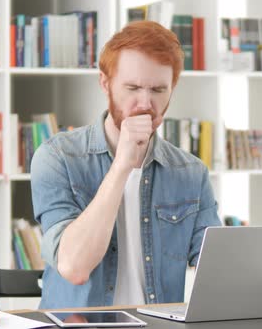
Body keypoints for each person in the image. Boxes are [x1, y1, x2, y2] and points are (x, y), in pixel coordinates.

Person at [30, 21, 221, 309]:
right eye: (132, 88)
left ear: (173, 88)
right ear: (105, 84)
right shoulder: (57, 158)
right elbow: (73, 267)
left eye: (158, 90)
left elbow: (215, 272)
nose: (145, 103)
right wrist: (122, 165)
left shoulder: (191, 172)